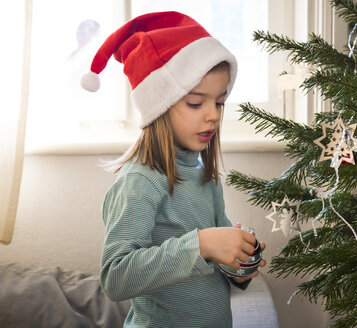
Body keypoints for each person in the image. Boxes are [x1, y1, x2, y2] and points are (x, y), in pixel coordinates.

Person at [81, 11, 266, 328]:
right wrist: (202, 244)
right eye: (196, 103)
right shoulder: (140, 181)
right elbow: (115, 276)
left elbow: (225, 270)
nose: (212, 116)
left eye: (219, 102)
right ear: (159, 106)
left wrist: (242, 258)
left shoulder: (206, 178)